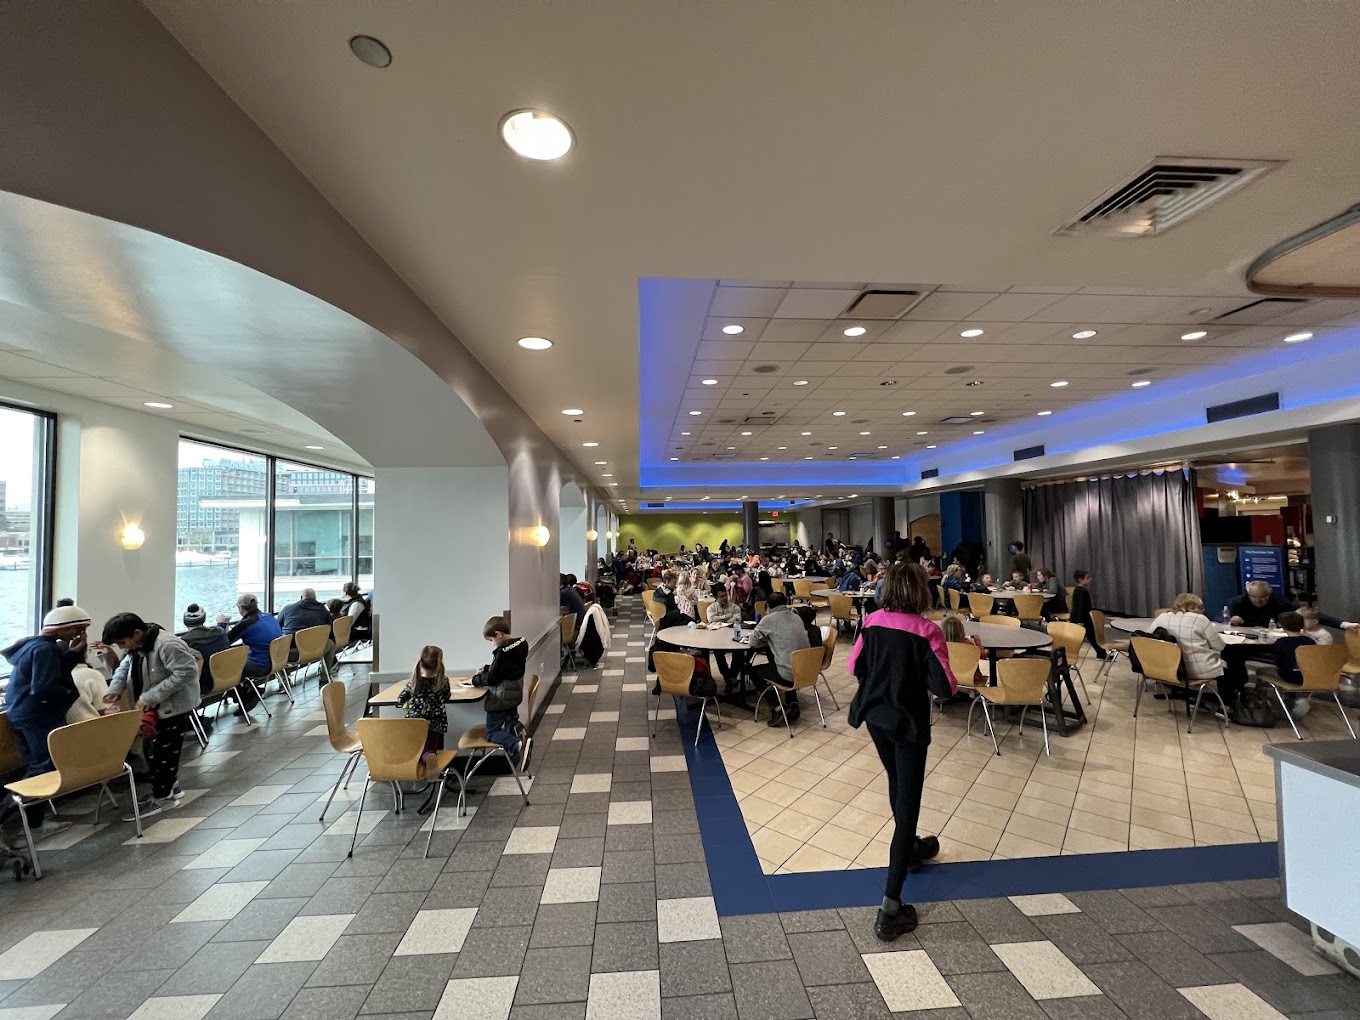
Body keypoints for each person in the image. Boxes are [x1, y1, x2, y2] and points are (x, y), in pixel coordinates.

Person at [846, 563, 956, 942]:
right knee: (908, 805)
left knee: (897, 780)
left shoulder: (871, 621)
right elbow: (944, 687)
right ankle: (890, 909)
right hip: (908, 725)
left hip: (875, 717)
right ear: (920, 592)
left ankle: (910, 846)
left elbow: (854, 666)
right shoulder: (928, 631)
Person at [0, 604, 94, 839]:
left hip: (21, 712)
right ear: (63, 628)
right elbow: (44, 687)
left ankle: (34, 821)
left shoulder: (33, 645)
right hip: (39, 716)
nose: (81, 634)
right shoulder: (46, 650)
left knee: (36, 765)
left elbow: (49, 674)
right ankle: (9, 813)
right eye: (78, 629)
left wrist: (72, 654)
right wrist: (69, 695)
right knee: (43, 768)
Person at [103, 612, 202, 820]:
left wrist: (151, 696)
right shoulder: (138, 644)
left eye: (122, 642)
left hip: (172, 708)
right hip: (154, 707)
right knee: (156, 752)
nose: (122, 647)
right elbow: (126, 665)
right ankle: (170, 788)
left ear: (137, 633)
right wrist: (116, 688)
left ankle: (163, 799)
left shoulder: (167, 644)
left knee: (160, 754)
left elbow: (186, 672)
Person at [471, 617, 529, 771]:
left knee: (492, 732)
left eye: (491, 640)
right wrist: (488, 668)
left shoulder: (502, 652)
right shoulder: (520, 644)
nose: (492, 643)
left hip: (501, 698)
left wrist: (475, 680)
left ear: (498, 634)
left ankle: (517, 744)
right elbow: (506, 669)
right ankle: (519, 731)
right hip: (514, 693)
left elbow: (493, 678)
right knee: (510, 722)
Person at [747, 592, 811, 726]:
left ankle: (777, 708)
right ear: (786, 603)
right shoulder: (796, 617)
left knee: (753, 670)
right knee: (782, 659)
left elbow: (752, 642)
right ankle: (792, 702)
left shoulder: (769, 619)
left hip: (788, 674)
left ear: (768, 606)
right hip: (807, 670)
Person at [1151, 594, 1226, 689]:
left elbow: (1147, 639)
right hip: (1199, 670)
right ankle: (1229, 696)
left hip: (1169, 668)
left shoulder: (1162, 617)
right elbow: (1219, 647)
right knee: (1232, 660)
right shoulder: (1200, 619)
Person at [398, 645, 451, 772]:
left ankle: (425, 760)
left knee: (419, 746)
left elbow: (400, 699)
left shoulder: (414, 682)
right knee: (432, 745)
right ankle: (430, 760)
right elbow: (446, 696)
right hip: (436, 721)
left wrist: (407, 703)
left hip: (414, 722)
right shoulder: (443, 682)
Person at [225, 594, 284, 692]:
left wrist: (222, 625)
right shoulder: (270, 617)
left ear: (240, 608)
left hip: (262, 666)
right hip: (279, 661)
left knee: (227, 664)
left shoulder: (245, 624)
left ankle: (245, 693)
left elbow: (224, 642)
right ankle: (249, 689)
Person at [1268, 611, 1315, 719]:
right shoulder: (1310, 641)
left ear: (1281, 625)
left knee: (1262, 672)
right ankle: (1299, 698)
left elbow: (1277, 661)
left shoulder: (1282, 642)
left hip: (1288, 676)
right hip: (1307, 676)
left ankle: (1277, 706)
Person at [705, 583, 746, 693]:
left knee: (739, 652)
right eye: (721, 596)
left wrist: (720, 619)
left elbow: (737, 619)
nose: (725, 598)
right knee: (718, 653)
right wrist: (727, 616)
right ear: (715, 597)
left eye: (725, 595)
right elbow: (711, 619)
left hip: (733, 635)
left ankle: (731, 677)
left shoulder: (735, 607)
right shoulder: (711, 608)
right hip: (717, 637)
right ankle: (729, 678)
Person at [1070, 571, 1106, 660]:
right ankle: (1101, 653)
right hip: (1082, 617)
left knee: (1091, 636)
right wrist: (1080, 620)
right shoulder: (1081, 591)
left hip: (1082, 616)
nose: (1090, 580)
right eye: (1087, 578)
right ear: (1080, 580)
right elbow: (1080, 607)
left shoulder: (1079, 590)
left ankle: (1101, 653)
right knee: (1090, 636)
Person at [1228, 581, 1295, 628]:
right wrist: (1233, 621)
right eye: (1254, 597)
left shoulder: (1281, 604)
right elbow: (1227, 621)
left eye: (1262, 597)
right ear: (1248, 594)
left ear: (1269, 595)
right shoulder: (1238, 603)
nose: (1258, 600)